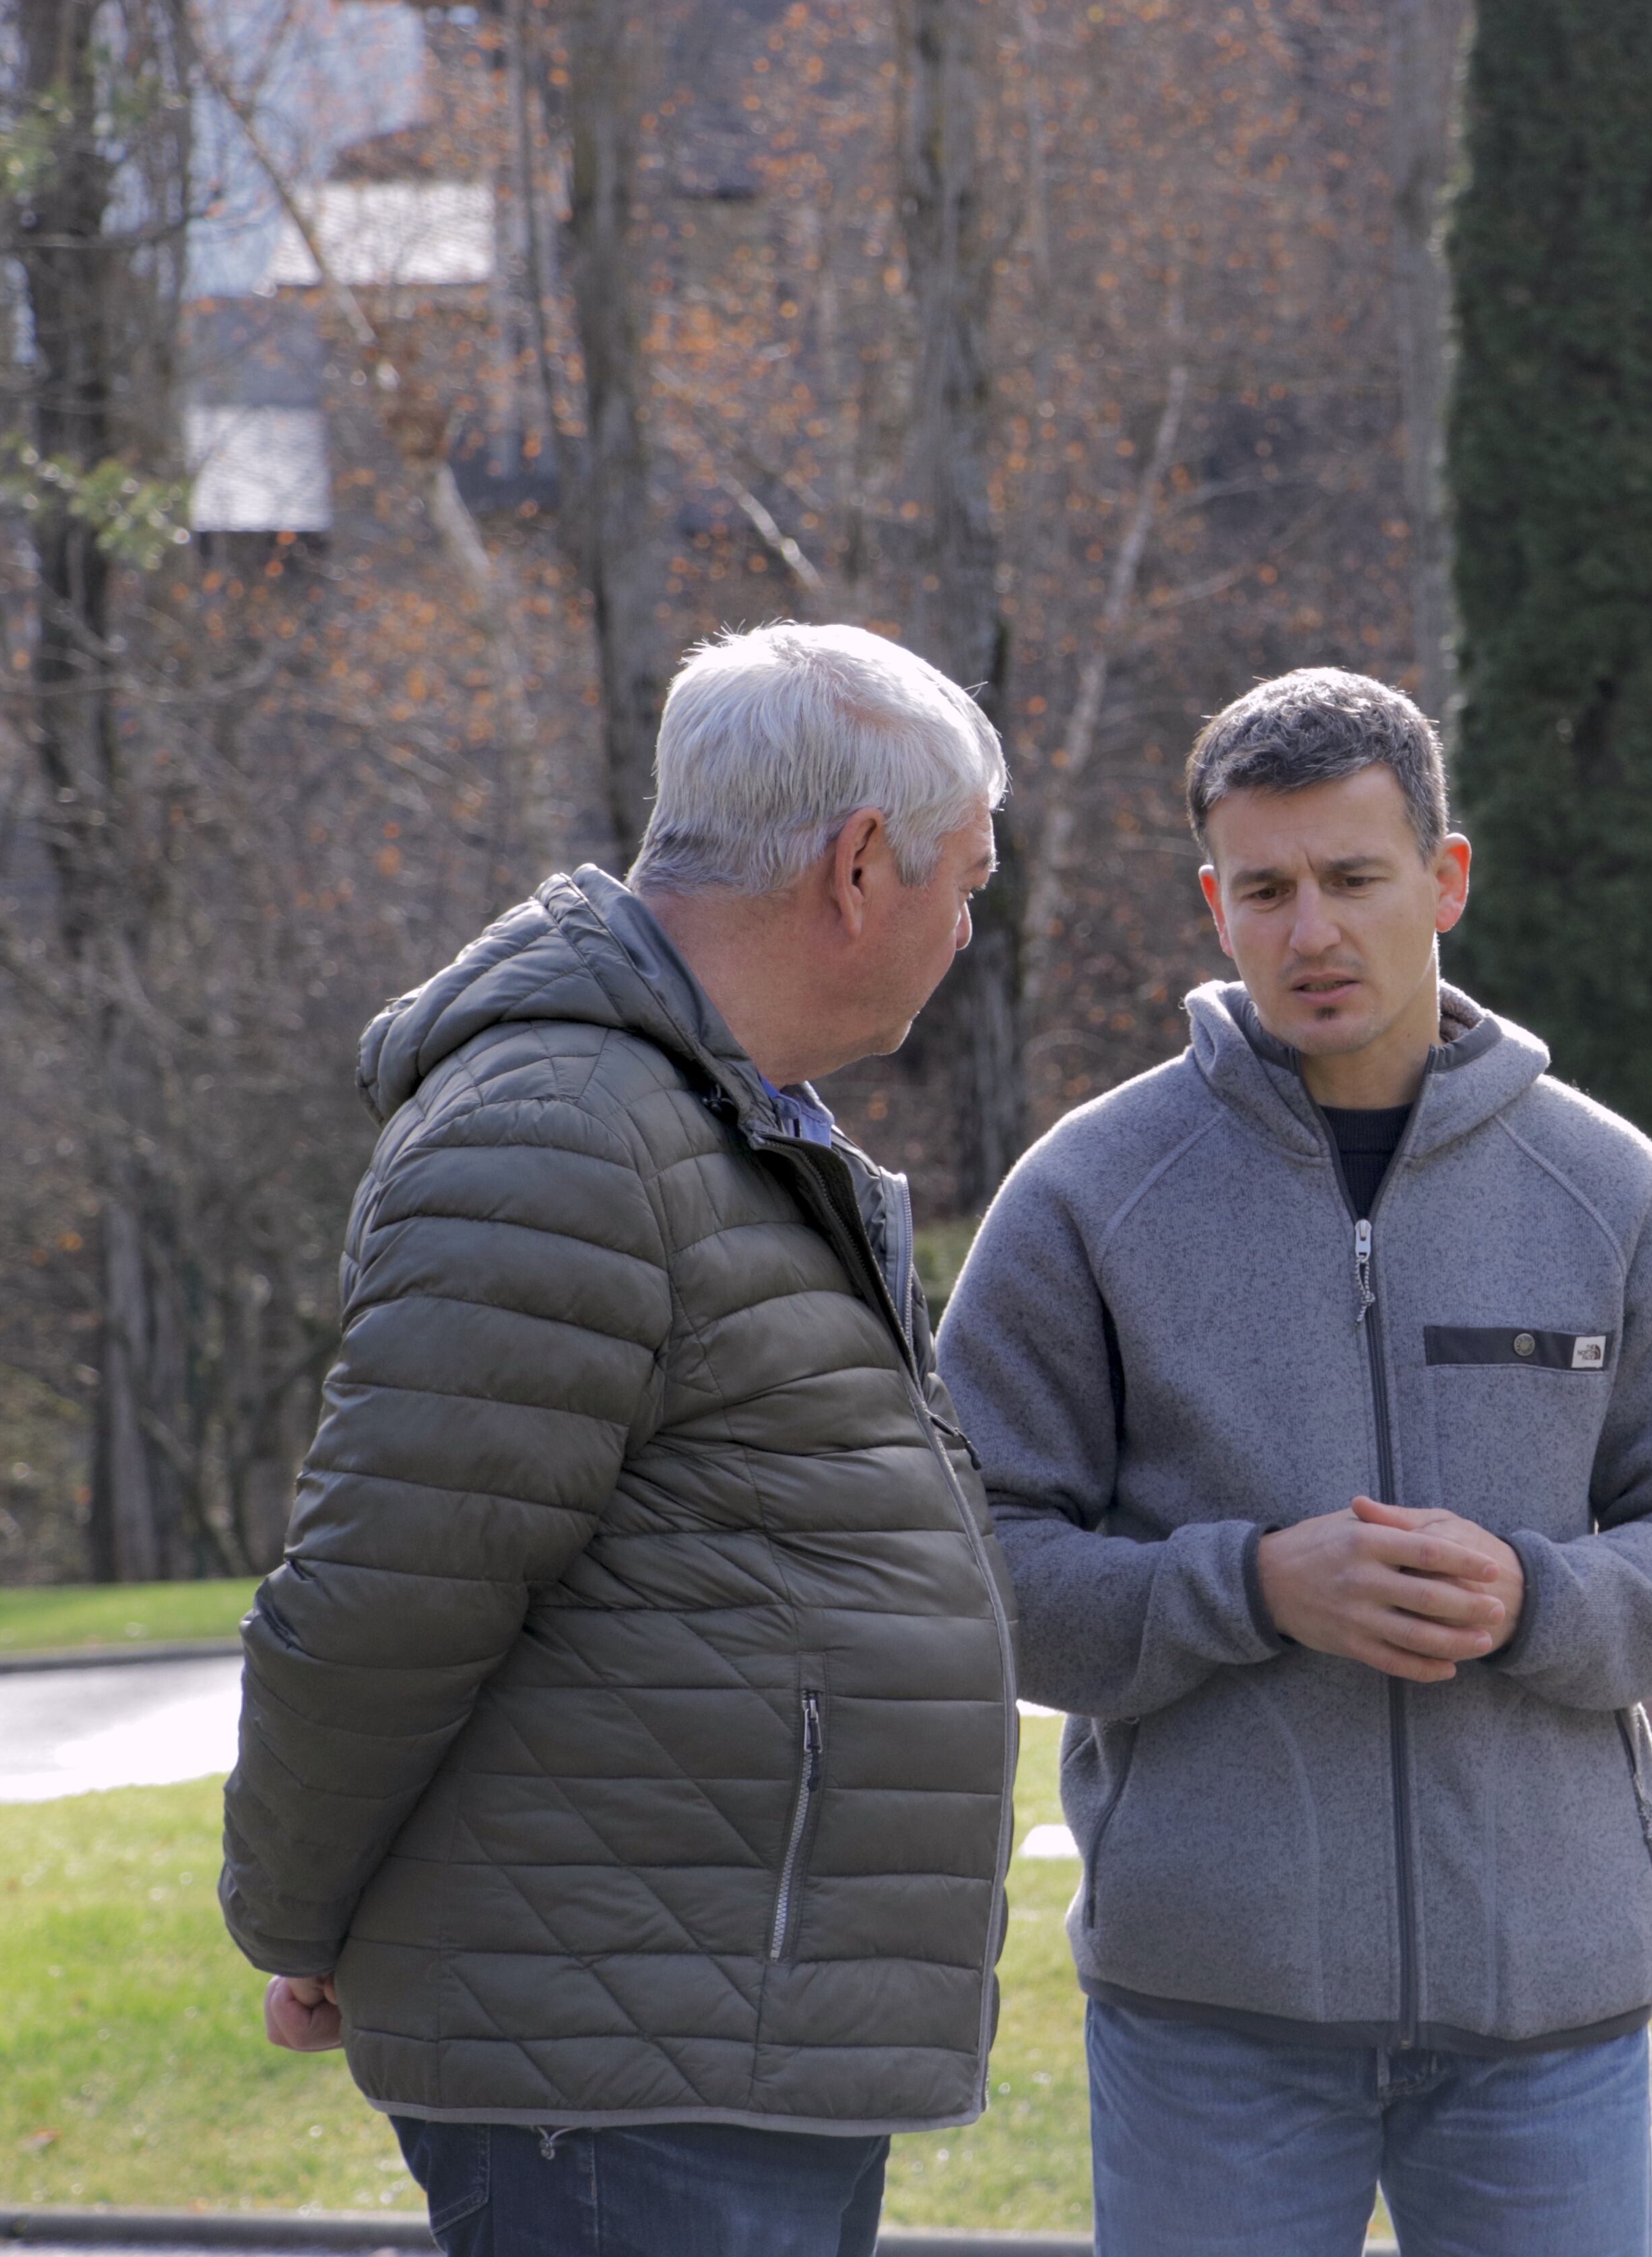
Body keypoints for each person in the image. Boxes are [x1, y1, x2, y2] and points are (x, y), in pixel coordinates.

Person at [937, 668, 1652, 2257]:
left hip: (1548, 2002)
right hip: (1212, 2003)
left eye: (1352, 877)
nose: (1309, 930)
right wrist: (1250, 1584)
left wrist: (1540, 1595)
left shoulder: (1608, 1188)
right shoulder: (1087, 1196)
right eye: (1264, 889)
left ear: (1445, 878)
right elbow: (964, 1561)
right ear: (1214, 903)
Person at [219, 622, 1020, 2257]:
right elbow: (384, 1588)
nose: (964, 932)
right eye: (967, 881)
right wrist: (296, 1907)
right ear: (861, 865)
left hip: (714, 2041)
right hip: (624, 2076)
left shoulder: (711, 1125)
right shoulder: (568, 1130)